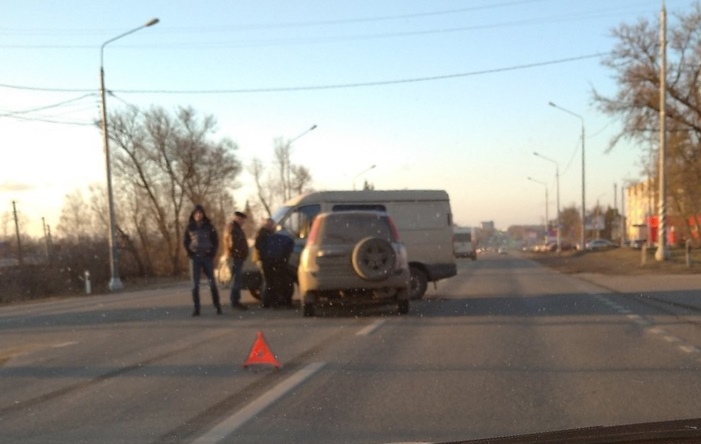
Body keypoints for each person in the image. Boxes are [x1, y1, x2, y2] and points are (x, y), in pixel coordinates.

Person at [183, 204, 222, 316]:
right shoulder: (189, 227)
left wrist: (212, 252)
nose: (198, 215)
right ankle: (197, 309)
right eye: (196, 213)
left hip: (207, 257)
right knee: (195, 285)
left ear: (203, 214)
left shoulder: (209, 226)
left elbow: (216, 241)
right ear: (193, 215)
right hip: (194, 257)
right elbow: (185, 242)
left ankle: (217, 306)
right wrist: (189, 253)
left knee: (212, 283)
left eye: (200, 213)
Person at [262, 230, 295, 308]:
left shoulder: (270, 238)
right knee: (285, 282)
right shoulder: (289, 240)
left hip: (268, 262)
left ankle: (272, 302)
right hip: (280, 263)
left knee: (270, 283)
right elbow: (289, 251)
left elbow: (263, 248)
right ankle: (286, 302)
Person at [226, 211, 249, 311]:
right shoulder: (233, 229)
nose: (243, 222)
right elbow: (232, 244)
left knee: (236, 279)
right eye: (242, 219)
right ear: (237, 218)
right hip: (236, 257)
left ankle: (235, 300)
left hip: (237, 256)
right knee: (236, 279)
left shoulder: (236, 228)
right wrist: (238, 253)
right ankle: (235, 301)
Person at [253, 218, 275, 308]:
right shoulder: (264, 234)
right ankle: (266, 302)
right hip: (263, 260)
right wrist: (266, 255)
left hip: (263, 259)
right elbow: (259, 246)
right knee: (267, 281)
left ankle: (267, 301)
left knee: (267, 280)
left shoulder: (263, 233)